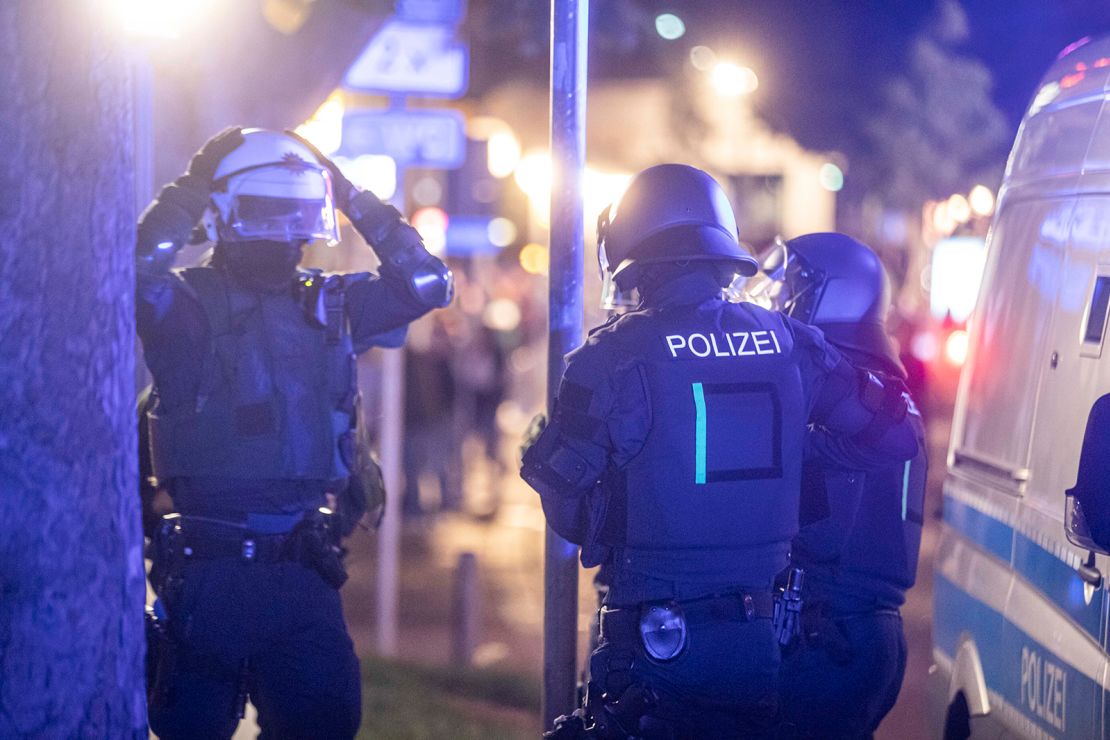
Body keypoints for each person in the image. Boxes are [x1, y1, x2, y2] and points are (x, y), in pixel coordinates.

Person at [520, 164, 919, 739]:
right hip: (760, 649)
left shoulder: (606, 358)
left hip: (656, 647)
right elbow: (893, 435)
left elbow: (567, 511)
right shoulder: (790, 341)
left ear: (636, 250)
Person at [136, 127, 452, 739]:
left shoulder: (327, 302)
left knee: (326, 724)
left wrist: (353, 198)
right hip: (208, 574)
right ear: (225, 216)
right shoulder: (185, 304)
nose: (284, 231)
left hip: (304, 571)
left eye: (297, 212)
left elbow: (426, 283)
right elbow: (133, 266)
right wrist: (193, 185)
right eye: (265, 212)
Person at [771, 233, 927, 738]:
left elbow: (815, 528)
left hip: (829, 634)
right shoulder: (879, 393)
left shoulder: (849, 401)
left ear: (827, 294)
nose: (780, 300)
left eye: (792, 286)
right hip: (858, 632)